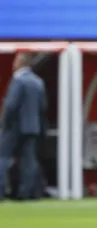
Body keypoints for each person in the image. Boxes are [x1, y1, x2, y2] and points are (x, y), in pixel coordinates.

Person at [0, 53, 47, 201]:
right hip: (32, 127)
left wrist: (4, 124)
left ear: (20, 63)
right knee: (29, 160)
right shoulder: (38, 82)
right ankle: (27, 192)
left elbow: (11, 105)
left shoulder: (18, 80)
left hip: (14, 127)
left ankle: (0, 190)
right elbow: (42, 108)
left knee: (3, 157)